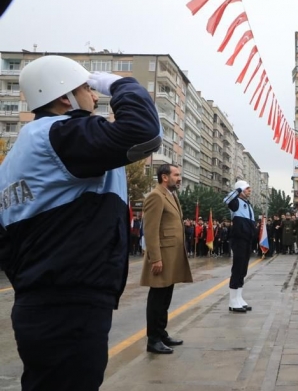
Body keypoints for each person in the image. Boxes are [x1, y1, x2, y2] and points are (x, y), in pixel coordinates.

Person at [0, 55, 161, 390]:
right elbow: (144, 134)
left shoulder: (21, 151)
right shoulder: (63, 134)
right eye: (86, 87)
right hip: (68, 303)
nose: (94, 94)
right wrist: (122, 85)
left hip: (39, 299)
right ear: (63, 96)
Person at [140, 164, 193, 354]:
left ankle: (161, 334)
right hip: (161, 255)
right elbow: (151, 229)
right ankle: (153, 340)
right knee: (157, 298)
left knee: (165, 298)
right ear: (164, 177)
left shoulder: (171, 195)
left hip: (172, 254)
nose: (179, 178)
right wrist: (155, 258)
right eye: (176, 175)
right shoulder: (155, 196)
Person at [223, 180, 257, 313]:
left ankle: (239, 297)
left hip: (247, 239)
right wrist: (237, 190)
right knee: (237, 269)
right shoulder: (235, 203)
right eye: (247, 189)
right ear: (241, 190)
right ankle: (232, 300)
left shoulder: (247, 204)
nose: (250, 191)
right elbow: (226, 200)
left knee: (243, 269)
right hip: (239, 239)